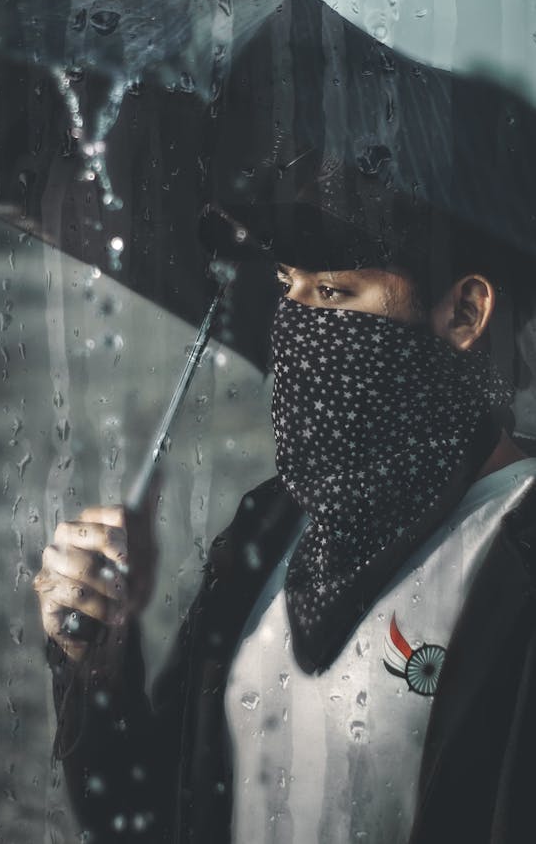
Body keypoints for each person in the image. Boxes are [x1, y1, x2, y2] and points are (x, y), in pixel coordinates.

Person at [33, 164, 536, 843]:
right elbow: (153, 817)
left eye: (333, 289)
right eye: (284, 285)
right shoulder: (272, 527)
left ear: (465, 312)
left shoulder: (515, 561)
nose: (297, 323)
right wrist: (99, 666)